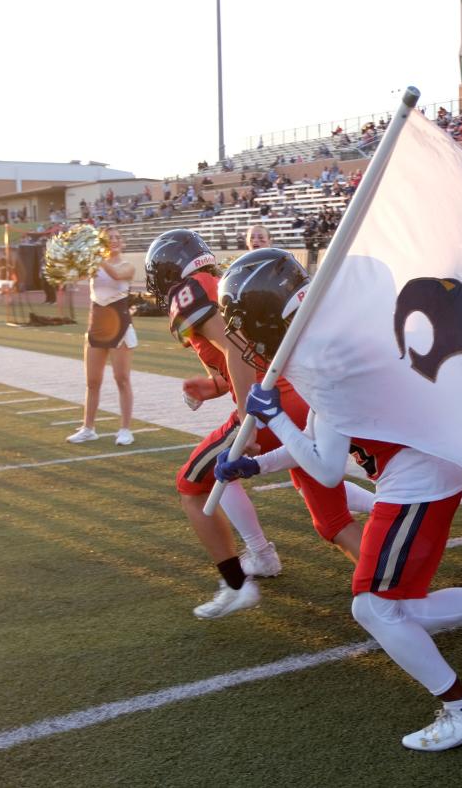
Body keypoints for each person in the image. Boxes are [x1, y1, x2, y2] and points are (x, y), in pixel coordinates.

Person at [215, 250, 462, 751]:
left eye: (243, 323)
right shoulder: (323, 344)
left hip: (418, 481)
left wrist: (274, 417)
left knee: (374, 608)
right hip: (415, 474)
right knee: (399, 609)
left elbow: (324, 468)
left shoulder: (326, 358)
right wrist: (256, 465)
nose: (242, 339)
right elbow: (319, 443)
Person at [144, 232, 353, 618]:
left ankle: (237, 583)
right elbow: (234, 364)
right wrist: (209, 388)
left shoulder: (193, 291)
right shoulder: (213, 284)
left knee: (191, 485)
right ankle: (397, 582)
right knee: (333, 520)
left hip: (273, 402)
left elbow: (238, 349)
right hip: (296, 396)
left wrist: (247, 419)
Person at [66, 228, 136, 445]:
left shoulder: (127, 266)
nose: (114, 241)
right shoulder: (93, 265)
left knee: (121, 379)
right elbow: (72, 274)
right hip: (96, 326)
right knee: (92, 381)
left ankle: (125, 429)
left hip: (119, 326)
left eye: (117, 237)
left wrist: (95, 256)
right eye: (109, 239)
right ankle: (88, 427)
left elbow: (116, 275)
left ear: (122, 243)